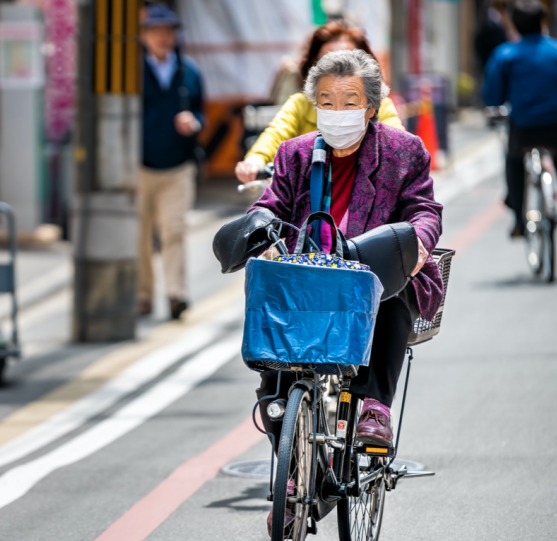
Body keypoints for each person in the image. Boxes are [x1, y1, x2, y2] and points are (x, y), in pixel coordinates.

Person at [249, 49, 442, 455]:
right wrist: (260, 233)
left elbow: (423, 210)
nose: (337, 111)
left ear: (371, 108)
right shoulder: (296, 153)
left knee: (388, 286)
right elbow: (271, 206)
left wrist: (419, 241)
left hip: (370, 270)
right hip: (308, 276)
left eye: (349, 102)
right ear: (314, 105)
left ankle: (375, 408)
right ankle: (293, 464)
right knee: (275, 395)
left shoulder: (402, 151)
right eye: (326, 102)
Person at [235, 22, 404, 185]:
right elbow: (274, 134)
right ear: (313, 71)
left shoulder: (381, 105)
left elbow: (399, 147)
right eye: (328, 64)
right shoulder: (300, 104)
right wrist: (255, 160)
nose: (338, 74)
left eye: (349, 63)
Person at [483, 0, 557, 237]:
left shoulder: (506, 54)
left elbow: (492, 93)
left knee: (514, 162)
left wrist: (494, 108)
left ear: (515, 24)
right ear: (542, 23)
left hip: (524, 128)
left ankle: (519, 219)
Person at [138, 3, 204, 320]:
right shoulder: (132, 70)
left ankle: (176, 293)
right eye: (156, 31)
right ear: (144, 35)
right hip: (140, 166)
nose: (163, 38)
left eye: (168, 32)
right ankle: (143, 295)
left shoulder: (189, 71)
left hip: (179, 164)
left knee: (173, 230)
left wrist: (195, 121)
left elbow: (200, 110)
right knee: (139, 233)